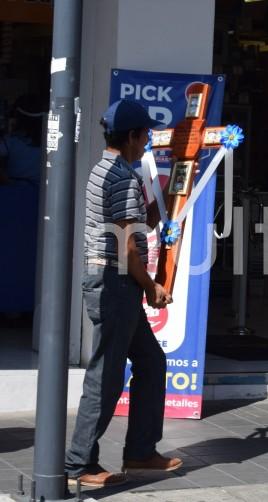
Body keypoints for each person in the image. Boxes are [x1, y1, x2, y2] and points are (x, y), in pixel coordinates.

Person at [65, 99, 181, 487]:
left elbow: (136, 225)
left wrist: (167, 200)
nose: (147, 140)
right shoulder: (121, 177)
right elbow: (127, 248)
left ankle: (140, 452)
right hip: (115, 283)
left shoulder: (105, 170)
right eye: (145, 134)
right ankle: (79, 463)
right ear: (132, 136)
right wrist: (152, 287)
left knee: (151, 361)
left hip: (115, 283)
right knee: (107, 375)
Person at [0, 94, 44, 185]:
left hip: (14, 190)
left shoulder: (11, 141)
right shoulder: (49, 141)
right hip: (41, 191)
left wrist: (7, 181)